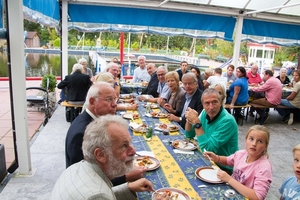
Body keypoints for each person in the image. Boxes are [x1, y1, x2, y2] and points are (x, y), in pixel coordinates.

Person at [51, 115, 155, 200]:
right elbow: (98, 194)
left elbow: (102, 190)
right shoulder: (96, 196)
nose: (133, 151)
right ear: (100, 155)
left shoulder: (78, 167)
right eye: (124, 146)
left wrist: (129, 188)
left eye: (129, 143)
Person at [65, 82, 146, 185]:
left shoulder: (92, 120)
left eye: (115, 99)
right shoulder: (81, 133)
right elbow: (84, 178)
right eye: (109, 99)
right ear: (92, 101)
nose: (115, 104)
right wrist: (126, 176)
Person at [204, 125, 272, 200]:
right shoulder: (241, 154)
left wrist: (229, 180)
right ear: (246, 140)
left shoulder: (264, 167)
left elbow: (257, 196)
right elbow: (227, 160)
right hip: (231, 193)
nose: (254, 144)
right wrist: (216, 158)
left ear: (266, 146)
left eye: (260, 141)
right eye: (251, 139)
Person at [185, 88, 238, 173]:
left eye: (215, 102)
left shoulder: (227, 121)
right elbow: (189, 135)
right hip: (208, 160)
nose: (211, 107)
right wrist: (189, 118)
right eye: (207, 103)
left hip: (223, 167)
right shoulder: (205, 113)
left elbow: (208, 149)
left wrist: (197, 123)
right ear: (203, 104)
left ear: (220, 102)